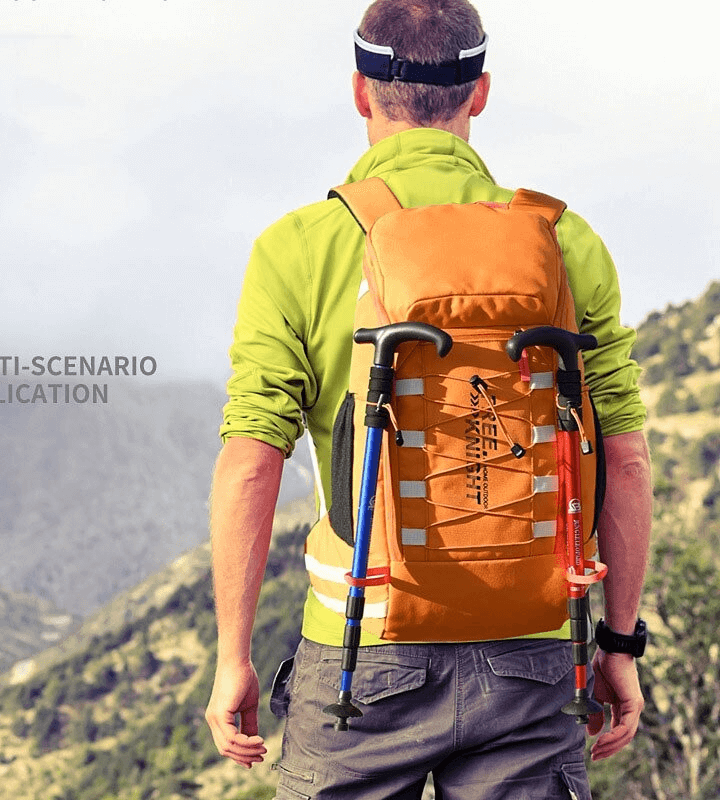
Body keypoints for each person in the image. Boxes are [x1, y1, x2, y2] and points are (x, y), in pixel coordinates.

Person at [205, 1, 652, 797]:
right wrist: (617, 641)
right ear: (478, 92)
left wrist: (232, 656)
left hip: (358, 649)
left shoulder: (298, 245)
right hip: (534, 647)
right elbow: (623, 456)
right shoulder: (563, 241)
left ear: (359, 90)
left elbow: (249, 463)